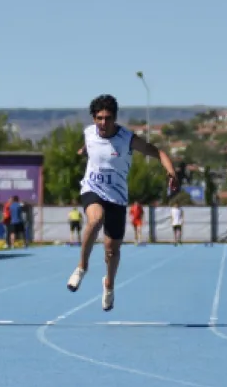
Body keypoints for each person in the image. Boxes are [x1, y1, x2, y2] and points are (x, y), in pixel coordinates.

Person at [66, 94, 179, 311]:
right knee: (95, 218)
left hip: (117, 197)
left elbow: (158, 152)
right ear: (93, 118)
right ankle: (82, 267)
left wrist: (171, 171)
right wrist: (81, 152)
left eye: (107, 118)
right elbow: (88, 145)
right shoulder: (89, 133)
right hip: (92, 189)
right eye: (98, 118)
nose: (103, 123)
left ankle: (108, 284)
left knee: (111, 250)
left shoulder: (127, 138)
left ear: (115, 118)